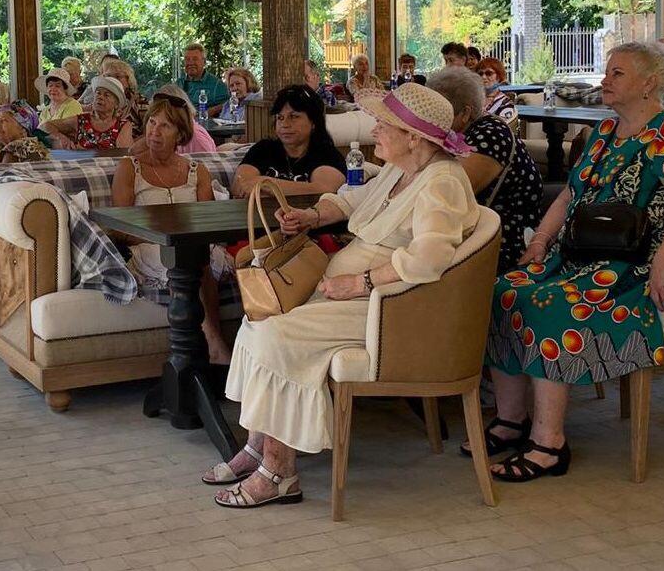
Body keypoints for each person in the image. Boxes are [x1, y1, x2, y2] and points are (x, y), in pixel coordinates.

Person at [205, 83, 480, 508]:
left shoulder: (442, 182)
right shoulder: (401, 170)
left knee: (278, 335)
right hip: (356, 298)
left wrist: (362, 282)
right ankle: (261, 448)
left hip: (389, 307)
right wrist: (311, 215)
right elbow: (354, 199)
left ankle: (279, 473)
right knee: (259, 317)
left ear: (414, 136)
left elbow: (429, 259)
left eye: (385, 124)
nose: (375, 129)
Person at [475, 42, 664, 482]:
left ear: (649, 84)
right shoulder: (605, 130)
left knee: (549, 305)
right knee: (501, 291)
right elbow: (570, 194)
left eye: (617, 73)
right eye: (608, 71)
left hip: (628, 265)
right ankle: (511, 420)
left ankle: (549, 445)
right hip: (575, 254)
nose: (605, 80)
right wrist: (541, 240)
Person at [112, 95, 230, 362]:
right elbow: (120, 227)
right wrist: (164, 234)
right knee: (189, 260)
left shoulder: (197, 171)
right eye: (152, 122)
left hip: (194, 248)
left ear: (180, 133)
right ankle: (213, 342)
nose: (155, 131)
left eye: (165, 126)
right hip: (148, 247)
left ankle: (207, 350)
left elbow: (207, 222)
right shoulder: (130, 167)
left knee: (200, 257)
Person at [429, 67, 542, 273]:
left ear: (465, 113)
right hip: (466, 231)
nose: (431, 120)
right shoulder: (458, 132)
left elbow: (452, 193)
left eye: (439, 113)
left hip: (499, 241)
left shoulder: (490, 134)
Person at [231, 85, 346, 197]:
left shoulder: (326, 155)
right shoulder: (263, 149)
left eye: (294, 116)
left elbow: (324, 190)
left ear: (314, 122)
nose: (284, 125)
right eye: (280, 118)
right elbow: (239, 186)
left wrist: (266, 184)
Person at [41, 75, 135, 150]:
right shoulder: (81, 119)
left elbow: (123, 155)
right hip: (82, 169)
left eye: (106, 95)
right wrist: (60, 137)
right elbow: (46, 126)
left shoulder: (123, 126)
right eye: (98, 93)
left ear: (116, 104)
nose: (100, 97)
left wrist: (85, 151)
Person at [180, 42, 229, 118]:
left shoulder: (216, 85)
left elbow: (229, 105)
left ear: (204, 62)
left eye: (195, 59)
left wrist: (212, 110)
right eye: (187, 59)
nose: (191, 62)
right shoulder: (179, 83)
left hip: (204, 127)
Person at [476, 58, 516, 122]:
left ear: (499, 77)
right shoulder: (474, 99)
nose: (483, 77)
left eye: (489, 73)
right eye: (480, 74)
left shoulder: (505, 103)